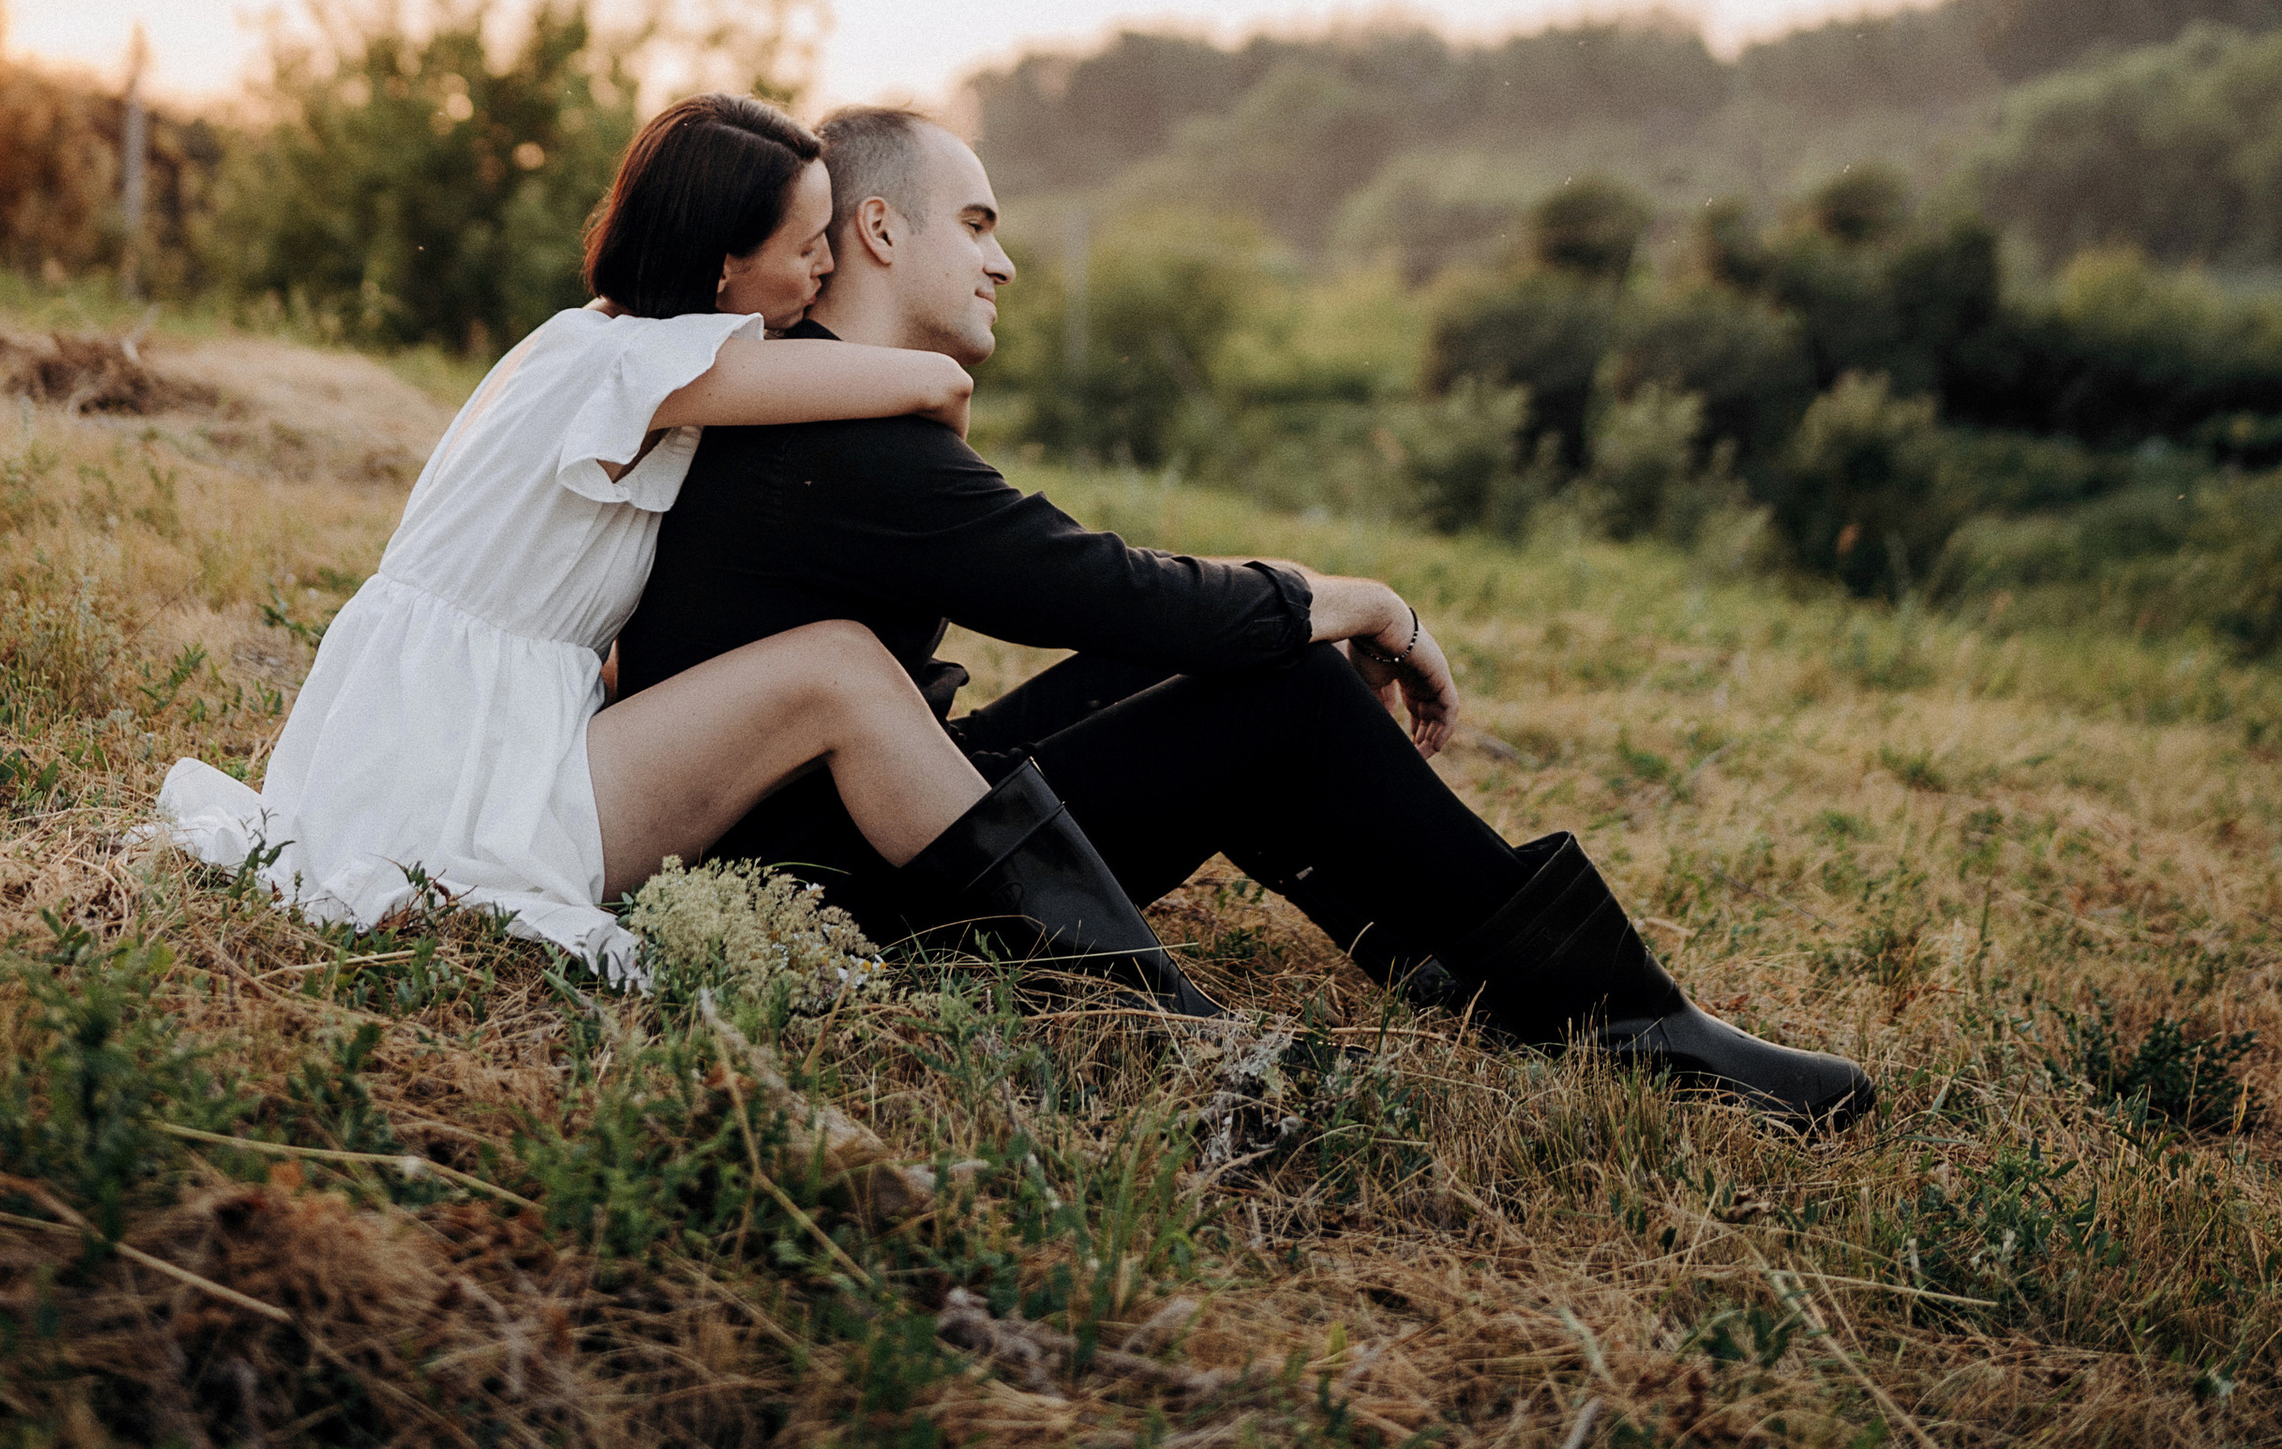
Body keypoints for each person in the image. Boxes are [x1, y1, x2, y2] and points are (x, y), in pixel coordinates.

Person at [617, 105, 1876, 1130]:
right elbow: (1108, 584)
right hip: (838, 900)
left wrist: (1291, 597)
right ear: (880, 227)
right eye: (979, 222)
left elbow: (1109, 597)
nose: (1003, 259)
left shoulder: (822, 413)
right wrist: (1357, 603)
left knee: (1208, 659)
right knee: (1273, 696)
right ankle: (1623, 1024)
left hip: (863, 826)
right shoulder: (844, 446)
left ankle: (1470, 959)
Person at [151, 94, 1214, 1004]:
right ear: (722, 267)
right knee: (836, 665)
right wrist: (941, 413)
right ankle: (1125, 991)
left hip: (472, 724)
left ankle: (1089, 962)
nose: (822, 267)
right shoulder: (641, 367)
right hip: (461, 767)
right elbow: (936, 380)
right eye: (805, 245)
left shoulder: (590, 349)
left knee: (825, 666)